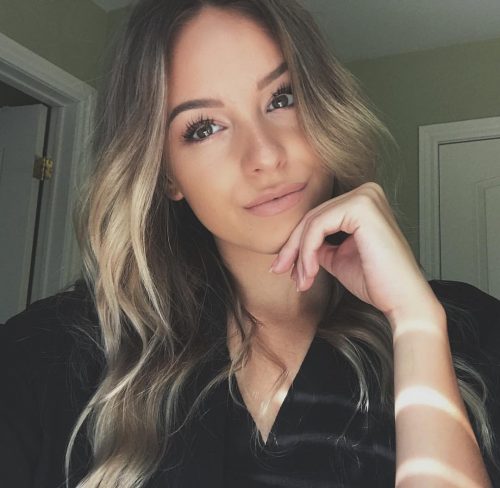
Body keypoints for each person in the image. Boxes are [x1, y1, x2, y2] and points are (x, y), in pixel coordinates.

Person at [1, 0, 499, 487]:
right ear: (167, 174)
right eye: (204, 128)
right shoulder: (48, 356)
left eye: (282, 99)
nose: (264, 155)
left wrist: (415, 323)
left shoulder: (470, 330)